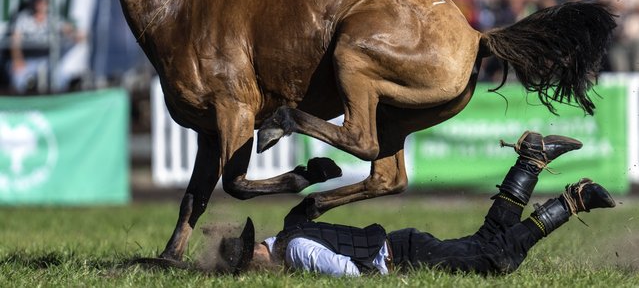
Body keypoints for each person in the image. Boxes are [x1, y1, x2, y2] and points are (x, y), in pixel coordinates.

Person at [217, 131, 615, 276]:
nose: (257, 273)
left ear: (256, 255)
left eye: (251, 268)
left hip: (404, 258)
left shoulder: (298, 251)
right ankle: (531, 159)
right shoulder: (290, 230)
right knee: (491, 239)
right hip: (404, 246)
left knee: (497, 258)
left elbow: (355, 278)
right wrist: (317, 174)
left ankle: (570, 199)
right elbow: (314, 203)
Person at [9, 0, 83, 93]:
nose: (40, 5)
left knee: (59, 75)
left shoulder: (52, 18)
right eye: (38, 2)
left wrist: (76, 34)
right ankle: (19, 102)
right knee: (18, 76)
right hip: (28, 59)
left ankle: (60, 98)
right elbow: (15, 41)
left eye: (43, 2)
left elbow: (67, 29)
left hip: (47, 59)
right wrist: (18, 60)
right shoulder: (24, 18)